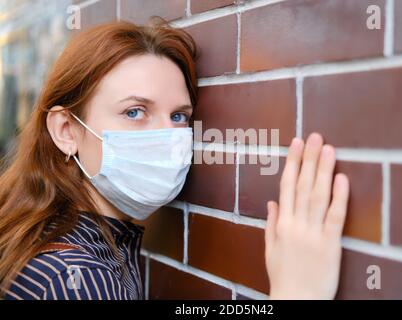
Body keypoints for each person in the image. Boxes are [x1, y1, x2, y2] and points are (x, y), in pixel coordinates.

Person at [0, 18, 349, 300]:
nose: (166, 137)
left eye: (179, 116)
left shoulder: (60, 234)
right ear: (66, 130)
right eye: (135, 112)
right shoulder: (75, 279)